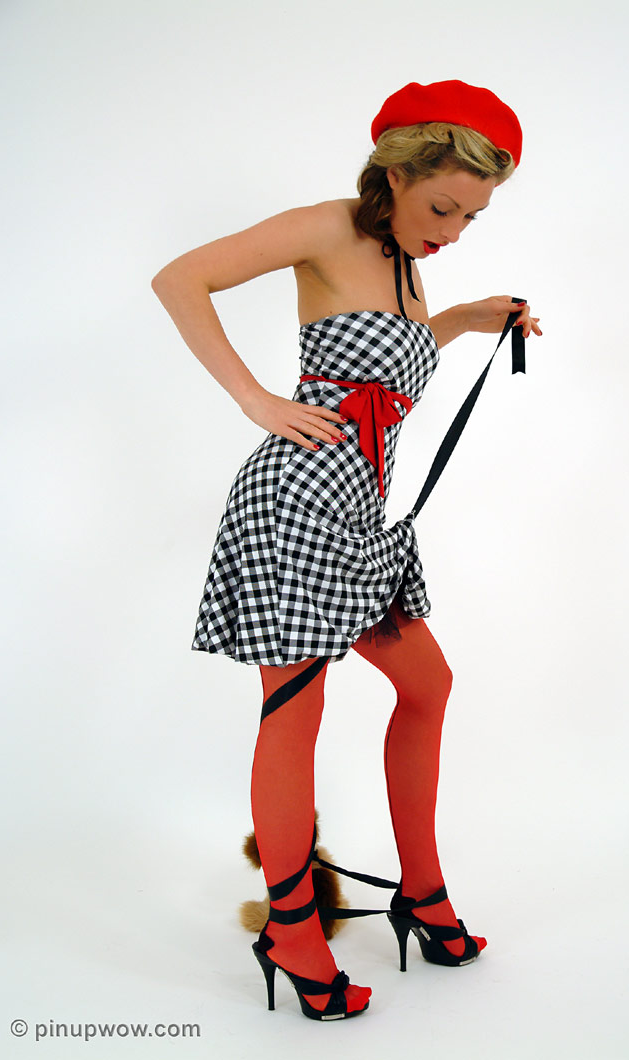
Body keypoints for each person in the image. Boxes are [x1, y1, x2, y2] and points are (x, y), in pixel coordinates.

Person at [151, 79, 542, 1022]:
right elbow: (179, 278)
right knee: (296, 711)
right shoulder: (327, 226)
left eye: (472, 216)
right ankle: (291, 931)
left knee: (427, 684)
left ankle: (420, 892)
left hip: (362, 520)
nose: (453, 230)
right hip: (293, 506)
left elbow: (386, 359)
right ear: (394, 175)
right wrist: (255, 400)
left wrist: (464, 318)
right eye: (442, 206)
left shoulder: (409, 264)